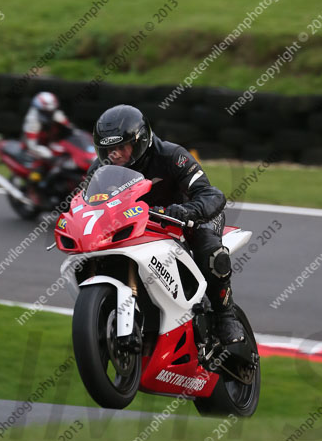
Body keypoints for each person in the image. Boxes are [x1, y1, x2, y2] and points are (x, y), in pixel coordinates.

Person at [90, 104, 246, 348]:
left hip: (188, 219)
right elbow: (82, 203)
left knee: (209, 249)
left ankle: (225, 315)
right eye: (109, 149)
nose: (115, 155)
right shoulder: (100, 169)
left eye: (122, 147)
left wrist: (188, 211)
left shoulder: (172, 156)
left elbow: (211, 194)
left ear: (141, 141)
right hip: (141, 227)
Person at [22, 92, 72, 187]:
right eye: (46, 112)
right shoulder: (32, 120)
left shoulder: (56, 114)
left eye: (51, 111)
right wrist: (48, 154)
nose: (50, 113)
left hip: (49, 144)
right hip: (33, 149)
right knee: (41, 167)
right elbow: (32, 145)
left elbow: (70, 129)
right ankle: (33, 188)